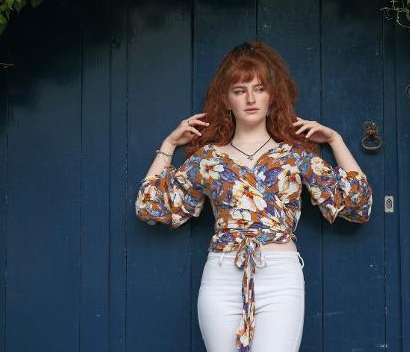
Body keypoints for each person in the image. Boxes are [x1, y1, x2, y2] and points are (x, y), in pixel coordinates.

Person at [134, 40, 373, 352]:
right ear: (226, 99)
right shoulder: (208, 159)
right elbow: (150, 206)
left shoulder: (293, 156)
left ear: (272, 96)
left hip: (280, 276)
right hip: (222, 275)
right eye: (239, 90)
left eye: (259, 89)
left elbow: (357, 205)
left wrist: (335, 140)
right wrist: (168, 145)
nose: (250, 99)